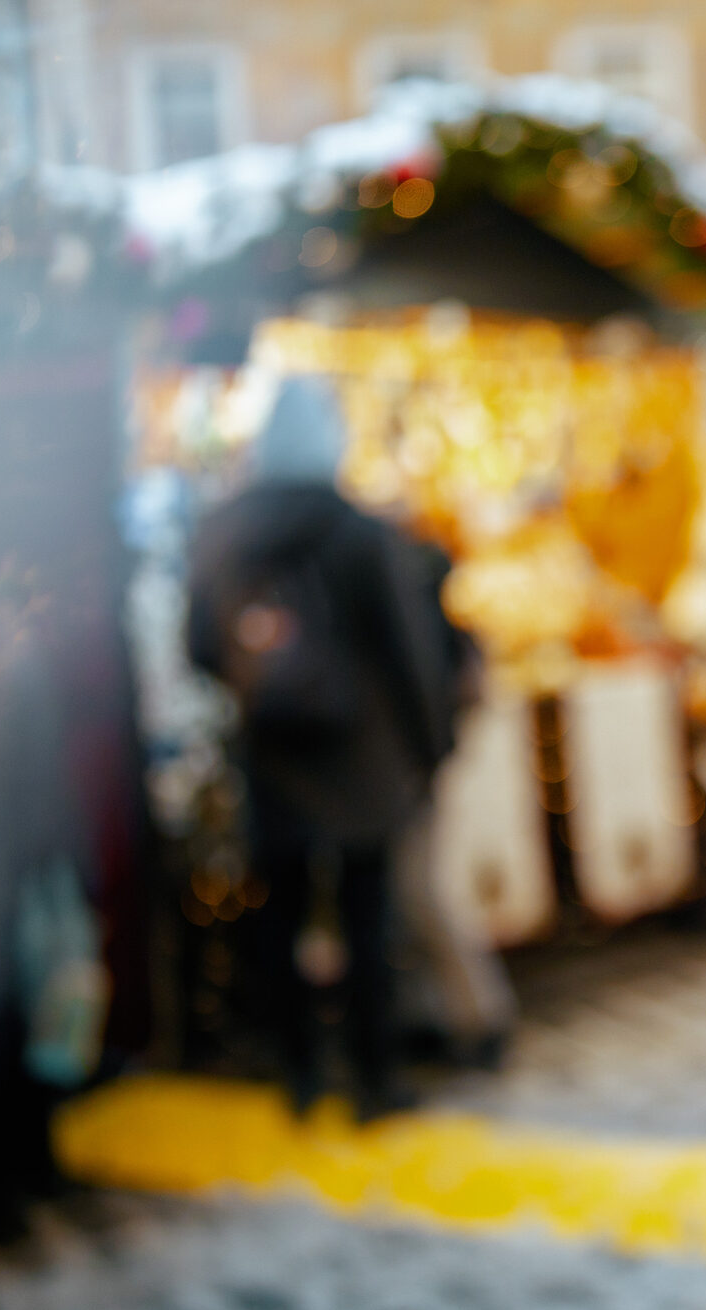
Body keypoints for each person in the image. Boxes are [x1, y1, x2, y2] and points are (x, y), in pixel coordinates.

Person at [187, 377, 464, 1118]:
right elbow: (408, 652)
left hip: (272, 757)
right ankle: (374, 1081)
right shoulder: (358, 530)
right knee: (366, 923)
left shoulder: (223, 533)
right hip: (361, 762)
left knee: (279, 920)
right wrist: (431, 748)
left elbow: (199, 646)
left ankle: (301, 1076)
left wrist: (258, 687)